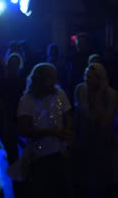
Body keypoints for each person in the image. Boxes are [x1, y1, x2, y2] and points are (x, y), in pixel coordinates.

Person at [16, 63, 73, 198]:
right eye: (50, 78)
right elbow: (23, 130)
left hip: (60, 151)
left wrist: (67, 132)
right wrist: (51, 131)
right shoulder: (27, 100)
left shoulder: (59, 93)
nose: (54, 81)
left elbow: (68, 116)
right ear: (40, 80)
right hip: (38, 155)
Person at [73, 63, 118, 197]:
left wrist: (99, 96)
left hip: (102, 142)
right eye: (86, 76)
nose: (87, 79)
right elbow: (77, 116)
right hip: (83, 139)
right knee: (82, 181)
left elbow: (106, 122)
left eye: (91, 77)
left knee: (100, 182)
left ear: (100, 79)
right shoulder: (80, 90)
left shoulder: (111, 95)